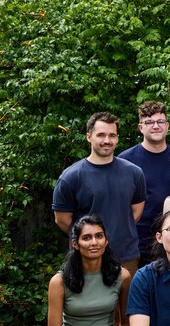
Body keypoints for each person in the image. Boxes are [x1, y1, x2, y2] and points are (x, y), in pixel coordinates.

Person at [53, 111, 146, 273]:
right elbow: (62, 220)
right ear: (89, 137)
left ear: (117, 138)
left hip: (126, 257)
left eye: (112, 135)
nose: (107, 140)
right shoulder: (71, 177)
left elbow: (135, 213)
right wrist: (89, 239)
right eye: (101, 135)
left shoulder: (134, 173)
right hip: (86, 259)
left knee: (128, 291)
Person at [118, 101, 170, 264]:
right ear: (141, 127)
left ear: (167, 126)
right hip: (135, 243)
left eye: (160, 121)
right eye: (149, 122)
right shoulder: (125, 161)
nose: (156, 126)